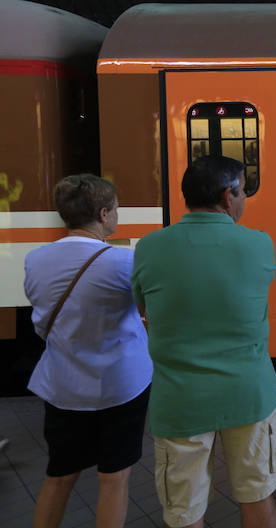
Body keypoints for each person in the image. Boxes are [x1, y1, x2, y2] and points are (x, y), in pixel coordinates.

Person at [131, 156, 276, 528]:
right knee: (257, 496)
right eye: (244, 191)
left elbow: (143, 307)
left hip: (180, 400)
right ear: (227, 196)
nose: (245, 199)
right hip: (248, 396)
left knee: (185, 512)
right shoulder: (259, 245)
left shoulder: (149, 248)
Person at [24, 174, 153, 528]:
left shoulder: (36, 260)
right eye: (115, 209)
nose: (117, 215)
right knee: (113, 479)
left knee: (59, 476)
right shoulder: (122, 263)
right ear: (102, 213)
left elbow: (42, 317)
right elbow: (147, 310)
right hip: (120, 386)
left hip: (63, 386)